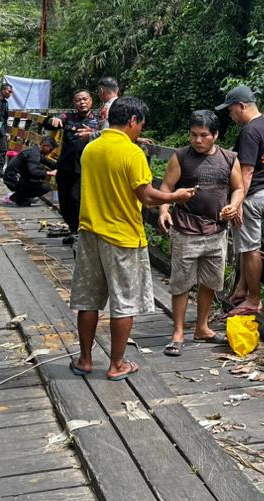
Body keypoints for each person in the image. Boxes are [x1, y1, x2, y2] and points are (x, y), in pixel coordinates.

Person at [70, 96, 195, 381]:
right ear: (133, 121)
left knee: (88, 300)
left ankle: (85, 359)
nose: (140, 131)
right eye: (140, 125)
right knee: (124, 302)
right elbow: (147, 196)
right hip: (122, 236)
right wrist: (175, 196)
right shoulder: (132, 153)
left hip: (89, 232)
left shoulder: (91, 148)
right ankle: (116, 364)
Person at [157, 110, 245, 355]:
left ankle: (202, 327)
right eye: (194, 135)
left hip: (216, 231)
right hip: (186, 229)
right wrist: (164, 210)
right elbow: (167, 186)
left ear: (215, 135)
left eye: (204, 135)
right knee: (181, 282)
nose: (198, 140)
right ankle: (178, 332)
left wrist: (234, 205)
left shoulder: (230, 159)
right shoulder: (181, 157)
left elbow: (238, 188)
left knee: (210, 281)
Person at [216, 85, 264, 315]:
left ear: (241, 106)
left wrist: (237, 202)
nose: (230, 115)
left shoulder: (249, 131)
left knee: (251, 248)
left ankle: (254, 299)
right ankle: (242, 289)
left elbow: (247, 171)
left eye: (231, 110)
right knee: (244, 245)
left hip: (252, 195)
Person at [46, 90, 100, 244]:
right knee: (64, 202)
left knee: (76, 200)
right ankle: (72, 229)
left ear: (90, 101)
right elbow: (49, 124)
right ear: (74, 103)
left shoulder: (98, 121)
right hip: (65, 166)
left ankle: (79, 233)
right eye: (78, 100)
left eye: (85, 99)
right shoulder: (67, 117)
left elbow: (112, 133)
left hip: (84, 168)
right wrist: (53, 120)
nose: (82, 102)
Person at [2, 135, 57, 206]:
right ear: (46, 146)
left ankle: (22, 196)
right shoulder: (34, 154)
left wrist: (62, 167)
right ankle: (18, 197)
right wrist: (49, 173)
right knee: (45, 187)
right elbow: (34, 171)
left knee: (39, 176)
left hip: (12, 177)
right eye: (50, 150)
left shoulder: (35, 150)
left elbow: (48, 162)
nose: (50, 152)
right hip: (13, 180)